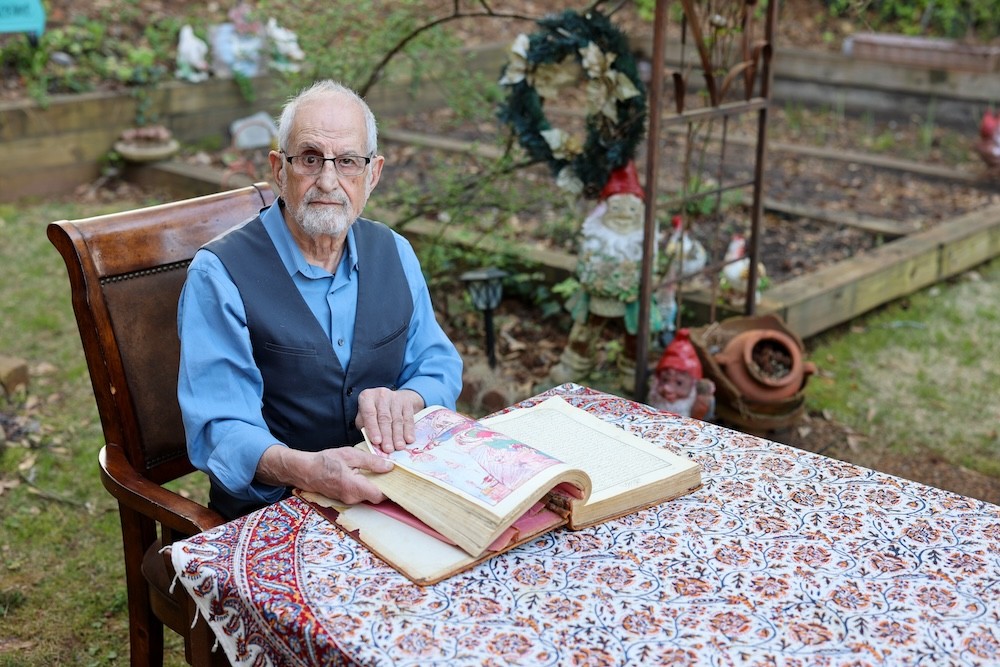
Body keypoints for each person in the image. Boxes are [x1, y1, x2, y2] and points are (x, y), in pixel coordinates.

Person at [177, 80, 463, 520]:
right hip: (276, 512)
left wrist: (411, 400)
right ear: (279, 168)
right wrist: (307, 470)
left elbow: (437, 364)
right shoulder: (219, 275)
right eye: (310, 159)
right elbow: (221, 429)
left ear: (373, 173)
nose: (328, 181)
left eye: (348, 161)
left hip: (389, 493)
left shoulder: (395, 251)